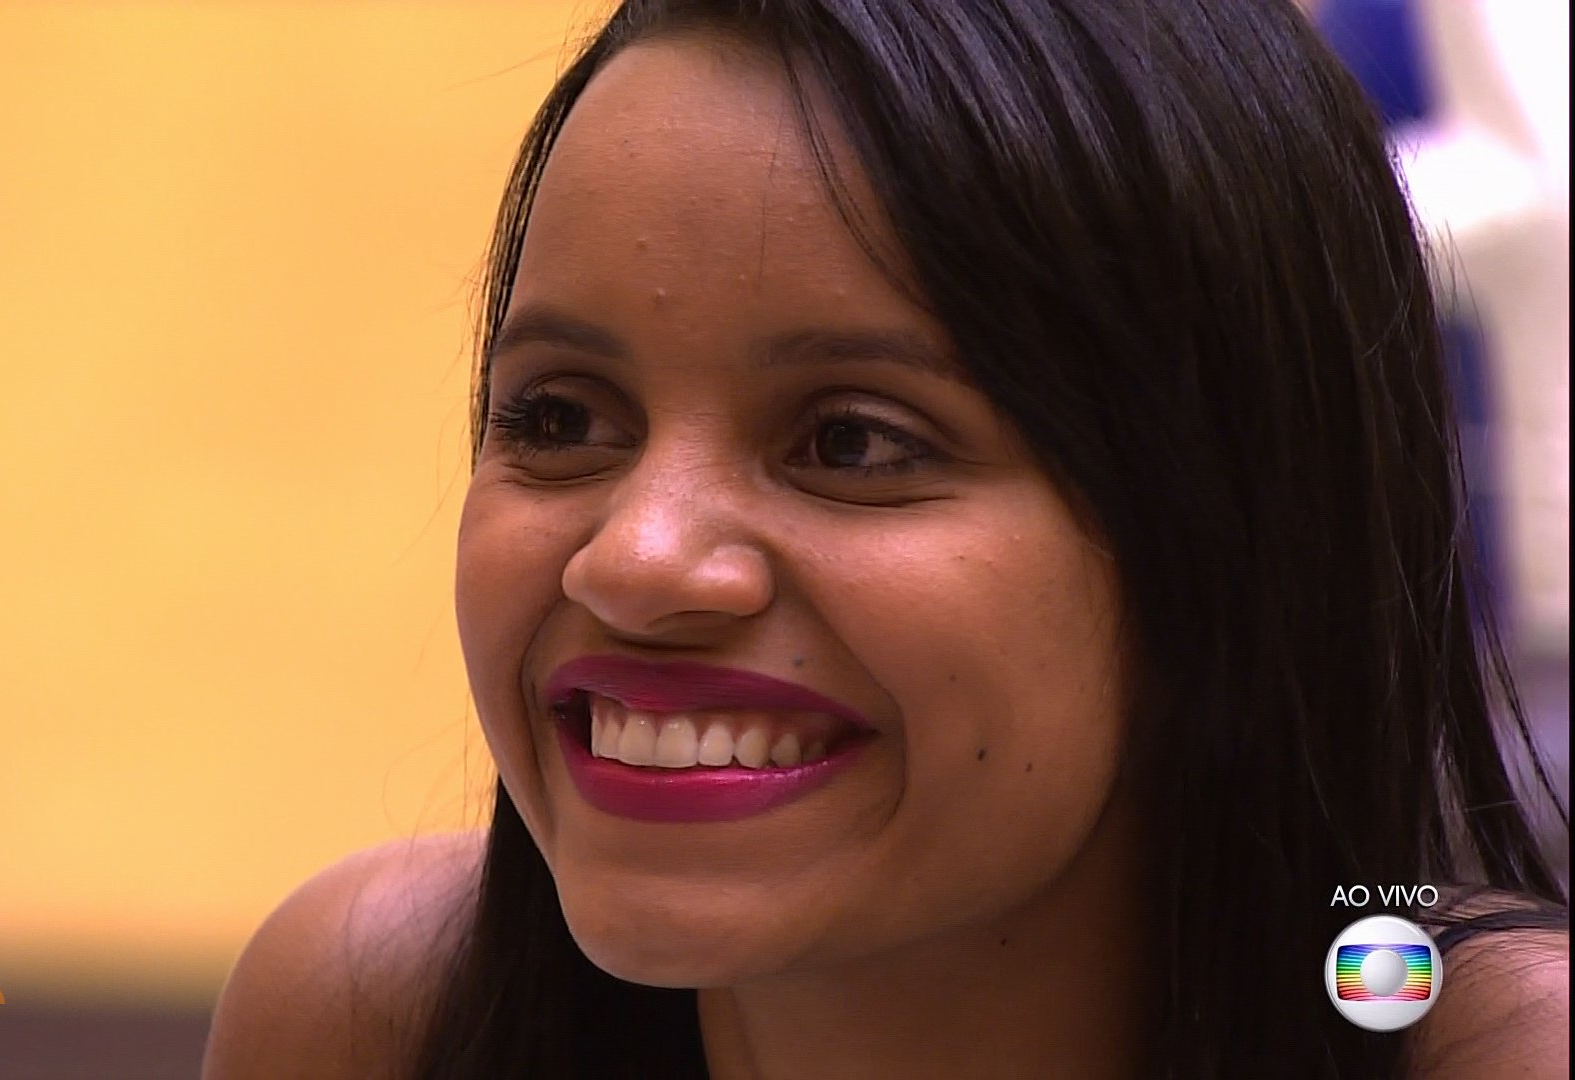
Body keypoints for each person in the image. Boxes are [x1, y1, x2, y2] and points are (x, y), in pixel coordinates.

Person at [203, 1, 1570, 1076]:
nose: (635, 558)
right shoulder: (375, 1020)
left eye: (854, 443)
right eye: (560, 417)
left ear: (1229, 540)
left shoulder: (1497, 1049)